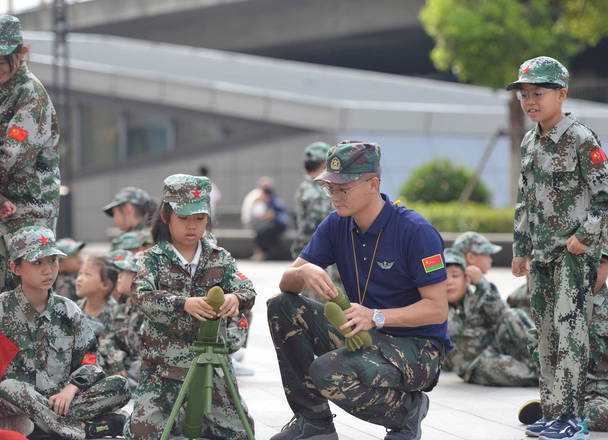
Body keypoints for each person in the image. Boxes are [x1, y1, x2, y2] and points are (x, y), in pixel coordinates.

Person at [267, 141, 450, 440]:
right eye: (330, 188)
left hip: (417, 346)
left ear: (372, 184)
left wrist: (376, 317)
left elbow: (437, 308)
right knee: (282, 306)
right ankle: (313, 422)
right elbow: (286, 282)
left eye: (344, 188)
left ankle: (406, 412)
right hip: (364, 330)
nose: (335, 197)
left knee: (327, 372)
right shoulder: (336, 224)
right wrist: (304, 271)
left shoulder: (416, 231)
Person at [508, 56, 608, 439]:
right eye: (524, 94)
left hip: (573, 256)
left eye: (538, 93)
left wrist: (586, 238)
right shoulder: (531, 139)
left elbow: (603, 197)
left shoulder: (582, 138)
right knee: (546, 335)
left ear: (561, 94)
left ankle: (574, 419)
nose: (530, 101)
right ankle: (552, 413)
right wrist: (521, 248)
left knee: (570, 335)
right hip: (541, 256)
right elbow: (524, 199)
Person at [124, 174, 256, 440]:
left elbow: (248, 291)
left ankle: (187, 422)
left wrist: (235, 299)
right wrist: (184, 304)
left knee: (240, 433)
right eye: (183, 218)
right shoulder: (153, 260)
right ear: (166, 216)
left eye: (199, 218)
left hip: (212, 368)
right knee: (143, 434)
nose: (192, 226)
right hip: (163, 370)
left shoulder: (220, 258)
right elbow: (142, 296)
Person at [0, 226, 129, 439]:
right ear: (16, 268)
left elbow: (90, 360)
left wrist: (72, 388)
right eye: (37, 262)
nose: (48, 269)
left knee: (120, 386)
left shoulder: (69, 310)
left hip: (64, 400)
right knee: (9, 387)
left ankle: (51, 428)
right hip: (19, 403)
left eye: (53, 260)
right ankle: (83, 431)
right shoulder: (3, 309)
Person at [0, 15, 61, 292]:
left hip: (29, 211)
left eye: (2, 60)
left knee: (24, 295)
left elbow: (9, 157)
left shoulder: (30, 95)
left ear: (21, 53)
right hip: (4, 203)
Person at [442, 247, 537, 386]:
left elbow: (500, 312)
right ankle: (546, 379)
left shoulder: (479, 295)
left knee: (512, 315)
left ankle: (547, 363)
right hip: (476, 364)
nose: (448, 282)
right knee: (493, 365)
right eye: (442, 278)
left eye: (455, 275)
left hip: (499, 346)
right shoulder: (436, 309)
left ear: (466, 279)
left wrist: (482, 284)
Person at [99, 252, 145, 391]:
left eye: (125, 272)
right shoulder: (120, 309)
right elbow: (106, 340)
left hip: (145, 378)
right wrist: (117, 363)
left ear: (139, 277)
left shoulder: (152, 310)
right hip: (123, 373)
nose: (119, 277)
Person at [75, 256, 118, 342]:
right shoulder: (74, 309)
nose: (79, 279)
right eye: (80, 273)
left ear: (105, 285)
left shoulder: (116, 314)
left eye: (87, 274)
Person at [102, 186, 156, 251]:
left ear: (128, 208)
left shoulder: (127, 240)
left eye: (114, 213)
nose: (114, 218)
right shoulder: (158, 234)